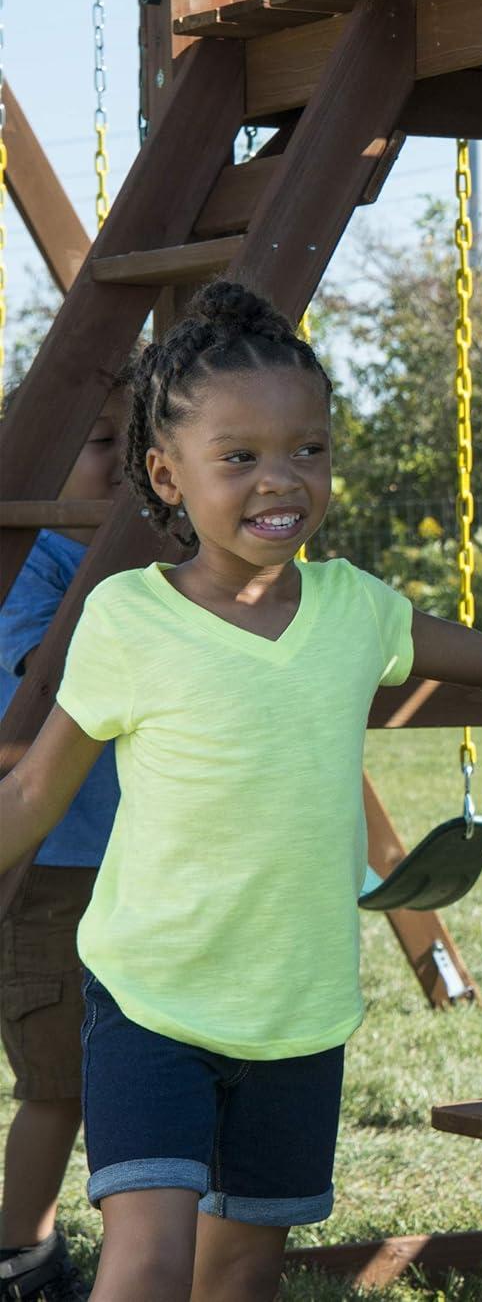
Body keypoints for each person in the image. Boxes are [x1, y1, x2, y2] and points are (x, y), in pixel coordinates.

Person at [0, 283, 482, 1302]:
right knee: (149, 1259)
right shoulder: (128, 618)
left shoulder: (354, 610)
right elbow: (34, 794)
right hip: (151, 999)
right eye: (238, 456)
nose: (281, 478)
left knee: (241, 1269)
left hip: (297, 1012)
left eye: (308, 449)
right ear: (167, 474)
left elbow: (471, 654)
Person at [0, 373, 128, 1302]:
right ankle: (23, 1251)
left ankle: (152, 1246)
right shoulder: (30, 563)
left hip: (142, 864)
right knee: (59, 1080)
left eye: (137, 440)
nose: (122, 463)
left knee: (146, 1069)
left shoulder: (169, 562)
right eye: (99, 442)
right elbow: (41, 677)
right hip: (49, 870)